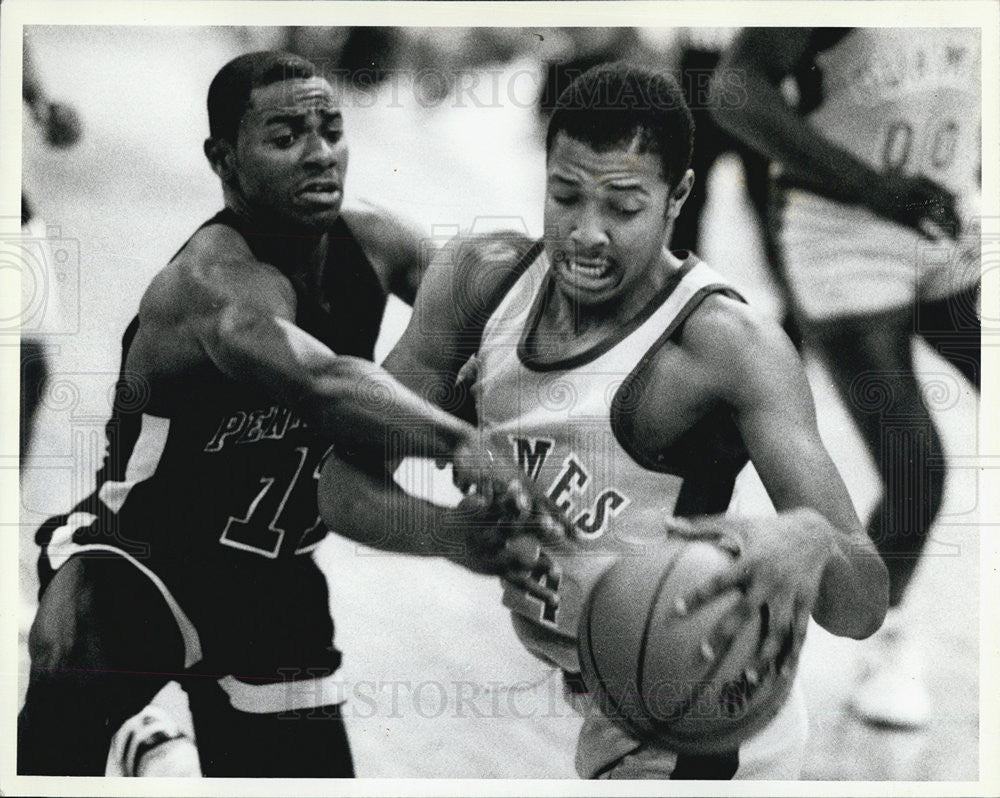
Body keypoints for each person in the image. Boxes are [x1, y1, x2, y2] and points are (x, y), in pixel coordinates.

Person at [319, 62, 889, 779]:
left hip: (704, 725)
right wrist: (450, 536)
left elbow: (861, 603)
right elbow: (338, 484)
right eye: (565, 196)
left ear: (677, 195)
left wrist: (808, 538)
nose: (587, 234)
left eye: (622, 207)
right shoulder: (481, 283)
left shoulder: (727, 347)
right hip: (614, 712)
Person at [18, 50, 562, 778]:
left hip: (272, 583)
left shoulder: (377, 244)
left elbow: (492, 323)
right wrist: (459, 444)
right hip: (142, 563)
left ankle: (157, 751)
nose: (320, 154)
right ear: (224, 160)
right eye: (286, 137)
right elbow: (324, 384)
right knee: (63, 685)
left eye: (330, 129)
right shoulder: (210, 286)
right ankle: (133, 732)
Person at [711, 28, 981, 728]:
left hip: (946, 217)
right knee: (918, 467)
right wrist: (868, 185)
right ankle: (882, 641)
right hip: (843, 229)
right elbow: (734, 90)